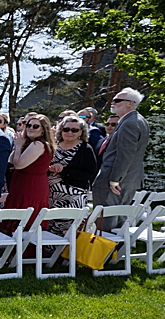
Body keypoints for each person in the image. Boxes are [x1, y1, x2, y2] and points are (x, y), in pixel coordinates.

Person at [92, 88, 150, 225]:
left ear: (130, 103)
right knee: (118, 220)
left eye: (117, 100)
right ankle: (116, 246)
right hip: (128, 179)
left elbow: (126, 154)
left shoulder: (130, 123)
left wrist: (114, 179)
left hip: (116, 180)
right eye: (112, 100)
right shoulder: (137, 120)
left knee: (106, 222)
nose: (112, 103)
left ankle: (105, 247)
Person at [0, 113, 54, 234]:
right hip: (21, 184)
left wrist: (18, 147)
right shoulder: (29, 143)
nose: (30, 128)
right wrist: (18, 145)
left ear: (43, 130)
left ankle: (25, 250)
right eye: (28, 125)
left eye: (35, 126)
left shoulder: (38, 144)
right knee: (18, 217)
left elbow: (19, 165)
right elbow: (11, 160)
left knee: (26, 219)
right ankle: (15, 249)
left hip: (31, 186)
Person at [47, 115, 98, 235]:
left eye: (74, 130)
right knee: (49, 225)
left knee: (66, 229)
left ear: (81, 132)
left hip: (74, 196)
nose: (70, 132)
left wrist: (64, 170)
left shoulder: (86, 149)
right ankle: (46, 253)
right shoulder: (53, 145)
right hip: (50, 193)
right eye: (66, 129)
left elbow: (90, 174)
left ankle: (65, 252)